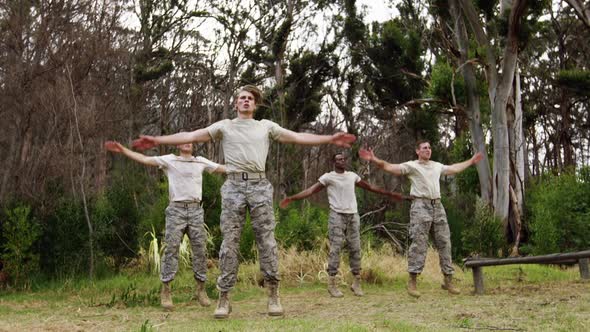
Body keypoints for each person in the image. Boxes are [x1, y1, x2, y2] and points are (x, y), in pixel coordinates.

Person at [132, 85, 356, 318]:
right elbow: (191, 135)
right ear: (236, 103)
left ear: (255, 104)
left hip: (259, 186)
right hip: (233, 187)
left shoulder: (265, 126)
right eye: (242, 98)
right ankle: (224, 298)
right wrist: (156, 139)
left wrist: (330, 137)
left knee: (266, 241)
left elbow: (298, 137)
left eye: (250, 98)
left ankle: (273, 296)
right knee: (229, 243)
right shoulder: (225, 126)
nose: (246, 101)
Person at [104, 141, 226, 311]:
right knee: (171, 250)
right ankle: (166, 291)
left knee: (200, 251)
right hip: (176, 211)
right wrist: (123, 150)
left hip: (196, 210)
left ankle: (201, 290)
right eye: (182, 140)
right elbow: (145, 159)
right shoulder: (169, 160)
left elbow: (223, 168)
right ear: (178, 144)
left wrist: (248, 164)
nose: (186, 143)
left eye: (189, 140)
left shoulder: (200, 162)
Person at [359, 141, 483, 298]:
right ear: (417, 151)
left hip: (437, 206)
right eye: (424, 148)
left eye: (430, 148)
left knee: (445, 242)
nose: (428, 150)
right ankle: (412, 282)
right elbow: (390, 167)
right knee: (419, 243)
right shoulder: (412, 166)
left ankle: (448, 280)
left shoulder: (436, 166)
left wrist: (471, 161)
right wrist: (374, 159)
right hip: (420, 206)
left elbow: (454, 168)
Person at [279, 152, 403, 298]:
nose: (342, 161)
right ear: (334, 162)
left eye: (344, 159)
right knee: (335, 249)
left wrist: (389, 193)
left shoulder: (352, 176)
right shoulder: (328, 177)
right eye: (338, 159)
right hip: (337, 216)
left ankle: (356, 283)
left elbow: (369, 187)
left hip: (353, 215)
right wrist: (292, 198)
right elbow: (311, 190)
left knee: (355, 248)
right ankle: (332, 284)